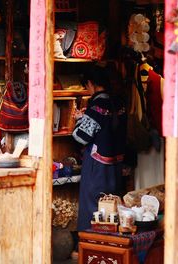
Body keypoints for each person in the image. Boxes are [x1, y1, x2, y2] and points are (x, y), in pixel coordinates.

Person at [72, 65, 127, 231]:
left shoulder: (97, 105)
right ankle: (110, 246)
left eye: (86, 86)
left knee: (93, 206)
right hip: (116, 164)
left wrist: (79, 120)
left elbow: (81, 136)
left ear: (91, 83)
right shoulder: (118, 102)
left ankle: (90, 244)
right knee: (111, 206)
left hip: (98, 167)